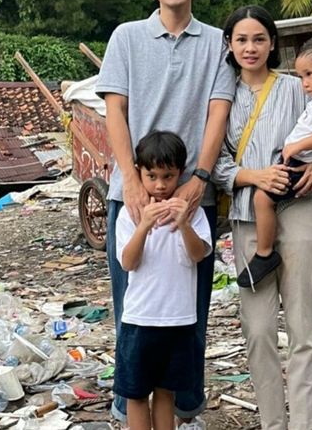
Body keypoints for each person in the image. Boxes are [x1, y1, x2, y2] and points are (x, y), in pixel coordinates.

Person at [95, 0, 235, 428]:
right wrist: (131, 183)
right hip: (130, 194)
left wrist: (200, 177)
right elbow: (116, 109)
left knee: (189, 310)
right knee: (131, 307)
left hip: (193, 193)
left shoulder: (219, 43)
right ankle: (127, 404)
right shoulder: (126, 37)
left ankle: (183, 408)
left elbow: (218, 111)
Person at [213, 5, 312, 430]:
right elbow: (215, 163)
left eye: (259, 39)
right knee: (257, 332)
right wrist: (254, 175)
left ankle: (306, 425)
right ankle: (273, 423)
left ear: (272, 43)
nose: (250, 48)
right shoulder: (221, 98)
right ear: (230, 45)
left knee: (302, 330)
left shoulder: (300, 87)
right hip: (247, 218)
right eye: (241, 40)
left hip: (300, 212)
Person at [114, 131, 212, 430]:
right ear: (139, 173)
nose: (160, 185)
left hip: (178, 320)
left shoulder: (191, 214)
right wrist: (143, 225)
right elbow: (128, 262)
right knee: (136, 394)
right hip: (140, 319)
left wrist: (183, 223)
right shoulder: (128, 215)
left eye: (168, 176)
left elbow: (198, 255)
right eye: (151, 175)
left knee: (166, 392)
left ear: (180, 174)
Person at [239, 36, 312, 288]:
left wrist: (297, 146)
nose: (305, 83)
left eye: (309, 75)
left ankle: (264, 253)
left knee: (262, 198)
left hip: (300, 163)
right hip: (305, 162)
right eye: (301, 77)